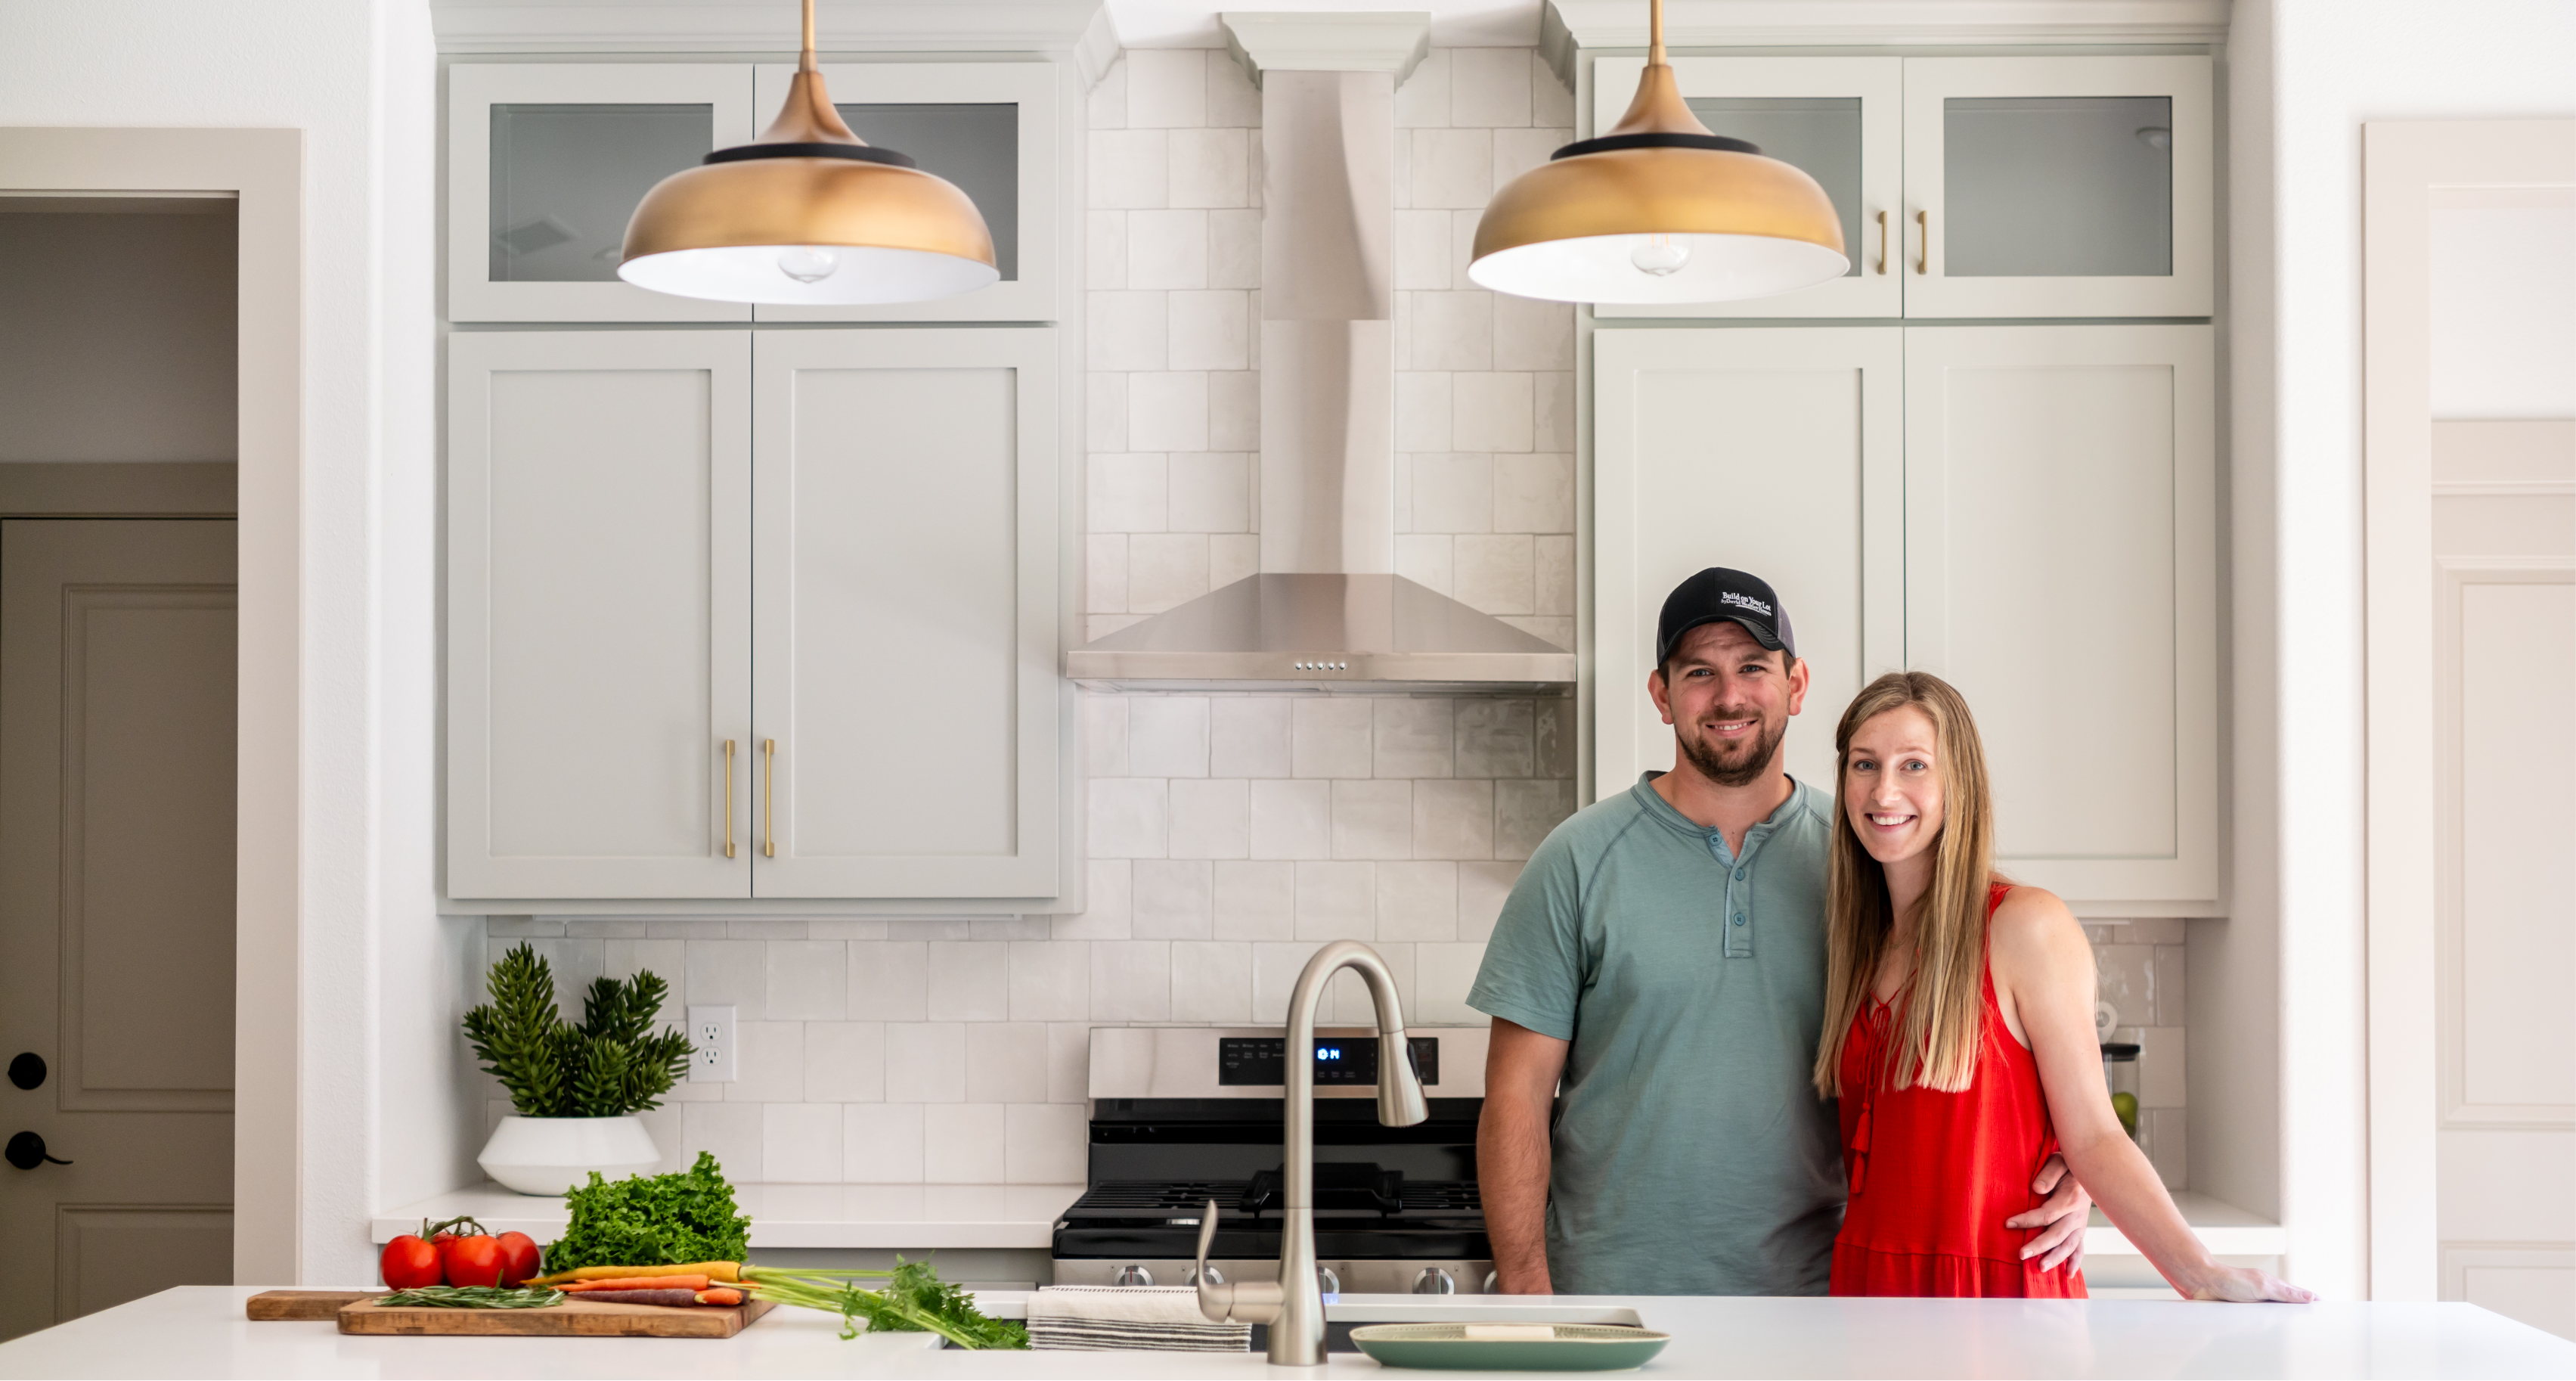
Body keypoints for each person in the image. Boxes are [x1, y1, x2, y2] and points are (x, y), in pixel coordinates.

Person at [1465, 568, 2091, 1297]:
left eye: (1752, 668)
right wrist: (1525, 1287)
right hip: (1610, 1298)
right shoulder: (1576, 859)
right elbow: (1514, 1098)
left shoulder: (1867, 853)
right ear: (1661, 696)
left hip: (1818, 1299)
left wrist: (2076, 1159)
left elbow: (1984, 1022)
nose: (1729, 696)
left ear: (1795, 685)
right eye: (1699, 672)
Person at [1819, 670, 2310, 1302]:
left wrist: (2198, 1273)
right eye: (1865, 764)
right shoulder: (1857, 945)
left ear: (1957, 786)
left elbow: (2096, 1134)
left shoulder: (2024, 925)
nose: (1884, 789)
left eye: (1914, 765)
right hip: (1866, 1297)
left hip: (1994, 1298)